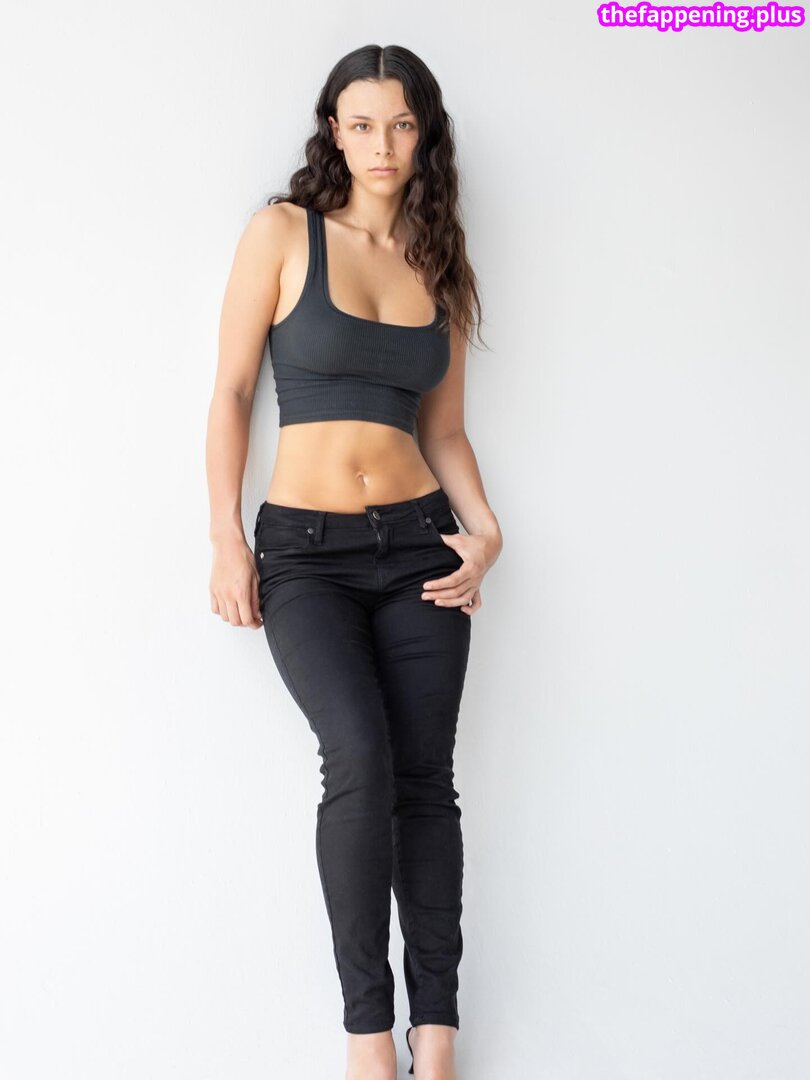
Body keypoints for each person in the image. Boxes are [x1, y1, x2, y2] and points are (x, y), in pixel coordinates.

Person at [205, 43, 502, 1080]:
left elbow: (446, 431)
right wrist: (225, 537)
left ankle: (438, 1032)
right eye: (364, 123)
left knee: (426, 780)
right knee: (361, 762)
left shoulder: (437, 261)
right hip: (306, 553)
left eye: (403, 124)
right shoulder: (283, 233)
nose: (383, 144)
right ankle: (368, 1036)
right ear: (334, 130)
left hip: (422, 545)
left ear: (425, 135)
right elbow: (232, 391)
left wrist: (488, 532)